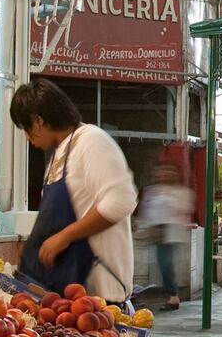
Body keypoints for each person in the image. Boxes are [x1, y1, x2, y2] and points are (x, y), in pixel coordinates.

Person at [12, 81, 138, 302]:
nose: (27, 137)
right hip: (67, 296)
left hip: (99, 296)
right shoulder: (60, 154)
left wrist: (65, 236)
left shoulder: (91, 141)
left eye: (26, 128)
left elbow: (121, 202)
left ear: (38, 121)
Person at [134, 162, 193, 309]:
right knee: (155, 265)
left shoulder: (181, 192)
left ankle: (173, 296)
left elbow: (185, 210)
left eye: (167, 172)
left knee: (166, 264)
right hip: (153, 232)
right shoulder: (151, 191)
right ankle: (164, 294)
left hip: (169, 233)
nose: (163, 175)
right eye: (160, 172)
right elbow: (145, 211)